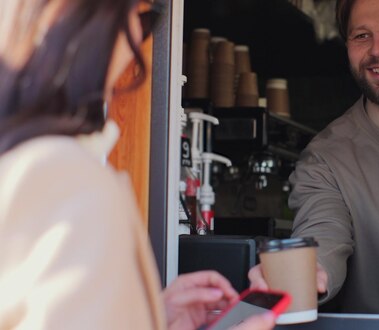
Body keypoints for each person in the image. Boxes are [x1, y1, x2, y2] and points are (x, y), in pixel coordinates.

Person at [0, 0, 275, 329]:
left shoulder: (27, 161)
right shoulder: (72, 180)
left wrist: (150, 315)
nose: (140, 42)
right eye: (143, 18)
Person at [250, 0, 379, 315]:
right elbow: (322, 232)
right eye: (362, 36)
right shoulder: (326, 158)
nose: (378, 50)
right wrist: (308, 272)